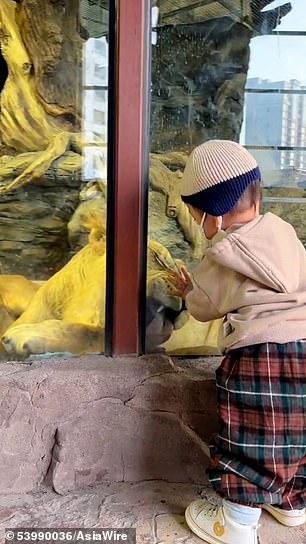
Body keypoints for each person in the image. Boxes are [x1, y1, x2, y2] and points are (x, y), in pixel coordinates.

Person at [171, 140, 306, 544]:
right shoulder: (283, 231)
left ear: (212, 216)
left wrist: (187, 290)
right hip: (304, 342)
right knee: (294, 433)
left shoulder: (225, 251)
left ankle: (235, 525)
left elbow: (204, 307)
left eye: (195, 213)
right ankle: (292, 504)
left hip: (260, 356)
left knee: (252, 437)